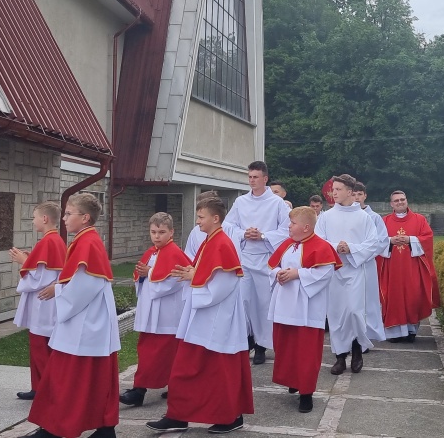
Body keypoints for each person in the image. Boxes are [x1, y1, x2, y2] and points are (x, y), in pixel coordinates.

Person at [146, 197, 253, 434]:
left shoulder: (222, 244)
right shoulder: (210, 241)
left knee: (214, 371)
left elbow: (222, 285)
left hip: (216, 320)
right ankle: (178, 415)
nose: (198, 221)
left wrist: (193, 277)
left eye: (201, 217)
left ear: (215, 218)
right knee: (187, 368)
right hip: (203, 318)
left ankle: (228, 416)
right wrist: (192, 273)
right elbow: (204, 272)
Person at [23, 193, 120, 438]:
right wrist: (61, 288)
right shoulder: (85, 240)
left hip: (86, 323)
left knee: (69, 378)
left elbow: (85, 286)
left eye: (68, 213)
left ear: (85, 217)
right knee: (89, 378)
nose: (64, 218)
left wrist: (58, 290)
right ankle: (101, 428)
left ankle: (57, 429)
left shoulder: (87, 243)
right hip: (87, 319)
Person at [268, 207, 342, 413]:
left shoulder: (322, 246)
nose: (289, 226)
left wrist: (298, 274)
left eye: (293, 223)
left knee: (306, 352)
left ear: (306, 227)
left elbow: (325, 273)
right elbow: (272, 266)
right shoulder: (287, 244)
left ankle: (306, 394)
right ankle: (293, 380)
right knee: (286, 347)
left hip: (307, 309)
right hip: (284, 305)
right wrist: (278, 273)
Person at [120, 212, 191, 407]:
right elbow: (143, 279)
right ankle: (141, 388)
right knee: (147, 351)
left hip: (167, 314)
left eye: (161, 232)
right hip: (151, 312)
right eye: (153, 232)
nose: (157, 236)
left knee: (165, 353)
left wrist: (149, 273)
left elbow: (174, 281)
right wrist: (143, 275)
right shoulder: (151, 253)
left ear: (171, 232)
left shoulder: (174, 252)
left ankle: (146, 389)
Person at [224, 161, 290, 364]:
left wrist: (263, 236)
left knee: (263, 303)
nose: (252, 180)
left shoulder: (277, 203)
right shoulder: (240, 201)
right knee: (243, 301)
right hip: (245, 258)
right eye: (250, 177)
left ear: (265, 179)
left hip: (266, 259)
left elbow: (286, 230)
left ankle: (262, 345)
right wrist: (244, 233)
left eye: (256, 177)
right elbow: (227, 225)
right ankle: (247, 339)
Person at [315, 174, 380, 375]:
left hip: (354, 270)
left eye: (338, 189)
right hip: (333, 271)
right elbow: (318, 241)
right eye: (333, 189)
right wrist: (337, 246)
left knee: (354, 311)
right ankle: (340, 357)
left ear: (350, 192)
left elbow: (373, 244)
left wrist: (351, 248)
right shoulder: (326, 216)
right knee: (336, 314)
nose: (334, 192)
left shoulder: (364, 217)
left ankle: (357, 348)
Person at [9, 202, 67, 400]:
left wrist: (23, 262)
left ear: (44, 218)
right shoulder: (54, 240)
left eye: (34, 217)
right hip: (45, 302)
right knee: (38, 346)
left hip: (44, 302)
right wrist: (29, 259)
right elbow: (44, 268)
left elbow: (41, 279)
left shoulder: (48, 242)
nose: (33, 221)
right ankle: (38, 387)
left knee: (41, 347)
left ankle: (46, 390)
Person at [378, 191, 439, 343]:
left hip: (412, 268)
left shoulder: (419, 219)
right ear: (391, 204)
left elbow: (428, 238)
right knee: (393, 298)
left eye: (402, 199)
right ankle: (393, 333)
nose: (400, 202)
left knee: (413, 297)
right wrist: (390, 241)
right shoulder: (384, 221)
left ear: (406, 201)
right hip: (392, 270)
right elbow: (376, 241)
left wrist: (410, 239)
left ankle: (411, 331)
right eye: (396, 200)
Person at [351, 182, 387, 344]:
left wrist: (362, 254)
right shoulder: (346, 216)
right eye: (354, 194)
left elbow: (382, 241)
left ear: (365, 195)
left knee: (368, 299)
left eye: (360, 194)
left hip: (366, 263)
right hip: (349, 263)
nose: (356, 198)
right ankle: (353, 333)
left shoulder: (375, 217)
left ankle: (369, 332)